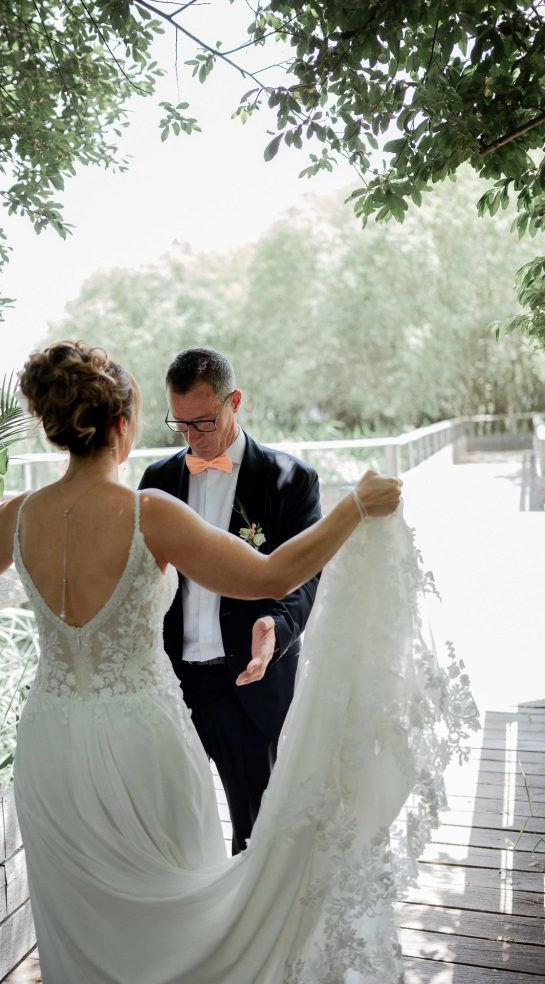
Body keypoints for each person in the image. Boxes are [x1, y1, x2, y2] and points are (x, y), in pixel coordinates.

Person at [0, 342, 403, 984]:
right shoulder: (149, 513)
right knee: (182, 910)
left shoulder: (18, 515)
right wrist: (354, 507)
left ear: (54, 427)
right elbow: (273, 573)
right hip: (142, 741)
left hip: (49, 745)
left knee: (80, 919)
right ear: (122, 424)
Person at [138, 348, 322, 854]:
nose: (193, 438)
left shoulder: (290, 480)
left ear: (234, 402)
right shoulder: (156, 482)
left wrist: (276, 629)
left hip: (249, 683)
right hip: (171, 684)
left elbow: (304, 578)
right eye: (180, 425)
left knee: (257, 839)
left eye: (204, 422)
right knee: (172, 836)